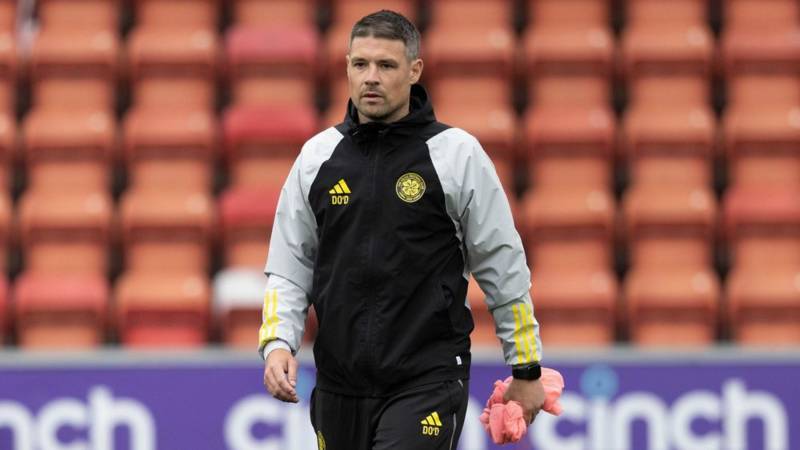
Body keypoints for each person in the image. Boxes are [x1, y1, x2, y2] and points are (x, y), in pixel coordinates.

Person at [259, 10, 544, 450]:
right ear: (347, 67)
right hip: (338, 385)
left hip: (426, 380)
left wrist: (525, 368)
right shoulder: (317, 157)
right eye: (360, 64)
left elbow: (503, 266)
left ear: (414, 70)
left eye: (386, 65)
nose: (371, 77)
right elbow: (289, 265)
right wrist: (278, 342)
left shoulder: (457, 155)